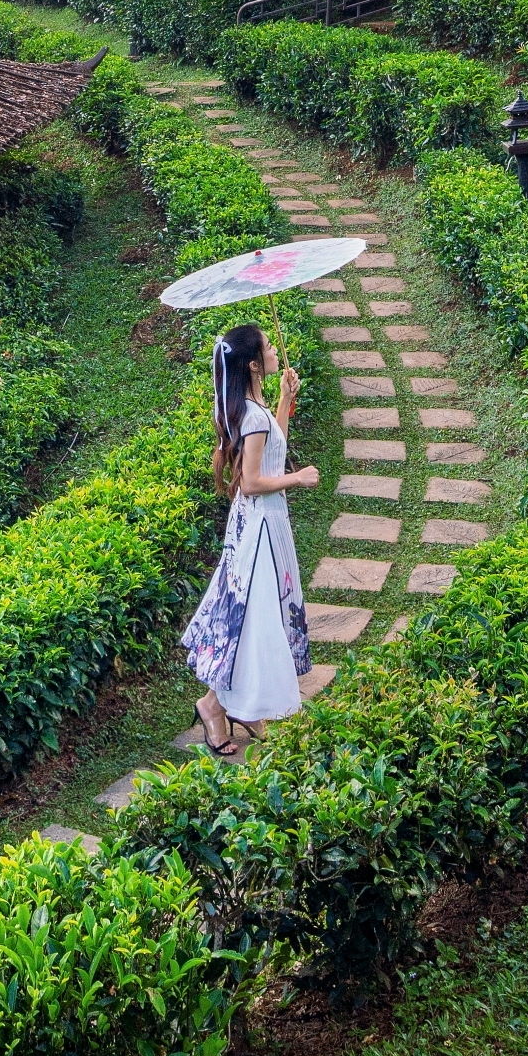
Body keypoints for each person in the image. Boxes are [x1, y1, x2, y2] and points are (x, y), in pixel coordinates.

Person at [177, 320, 315, 759]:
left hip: (258, 526)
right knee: (252, 621)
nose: (277, 351)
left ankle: (244, 707)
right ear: (255, 364)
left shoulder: (249, 408)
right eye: (270, 347)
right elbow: (253, 481)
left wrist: (285, 400)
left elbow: (269, 447)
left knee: (256, 617)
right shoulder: (249, 416)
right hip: (258, 531)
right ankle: (213, 707)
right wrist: (299, 478)